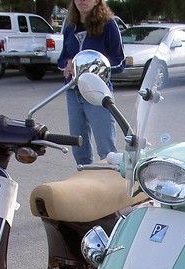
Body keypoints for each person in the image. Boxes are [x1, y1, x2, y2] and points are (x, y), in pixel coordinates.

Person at [58, 0, 125, 165]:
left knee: (107, 149)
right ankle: (84, 184)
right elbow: (61, 59)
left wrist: (93, 68)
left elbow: (119, 62)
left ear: (97, 1)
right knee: (78, 146)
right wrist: (66, 65)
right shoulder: (70, 27)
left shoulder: (108, 25)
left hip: (98, 92)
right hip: (73, 92)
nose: (82, 1)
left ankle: (110, 185)